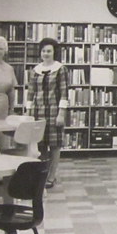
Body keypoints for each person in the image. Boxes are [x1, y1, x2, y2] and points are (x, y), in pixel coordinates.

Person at [27, 38, 69, 188]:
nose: (46, 53)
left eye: (49, 51)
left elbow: (64, 92)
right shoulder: (35, 70)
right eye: (43, 51)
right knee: (41, 145)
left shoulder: (60, 69)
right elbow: (31, 92)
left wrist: (61, 113)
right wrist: (28, 112)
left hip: (54, 111)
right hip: (38, 111)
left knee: (55, 145)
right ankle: (42, 175)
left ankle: (52, 176)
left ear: (54, 52)